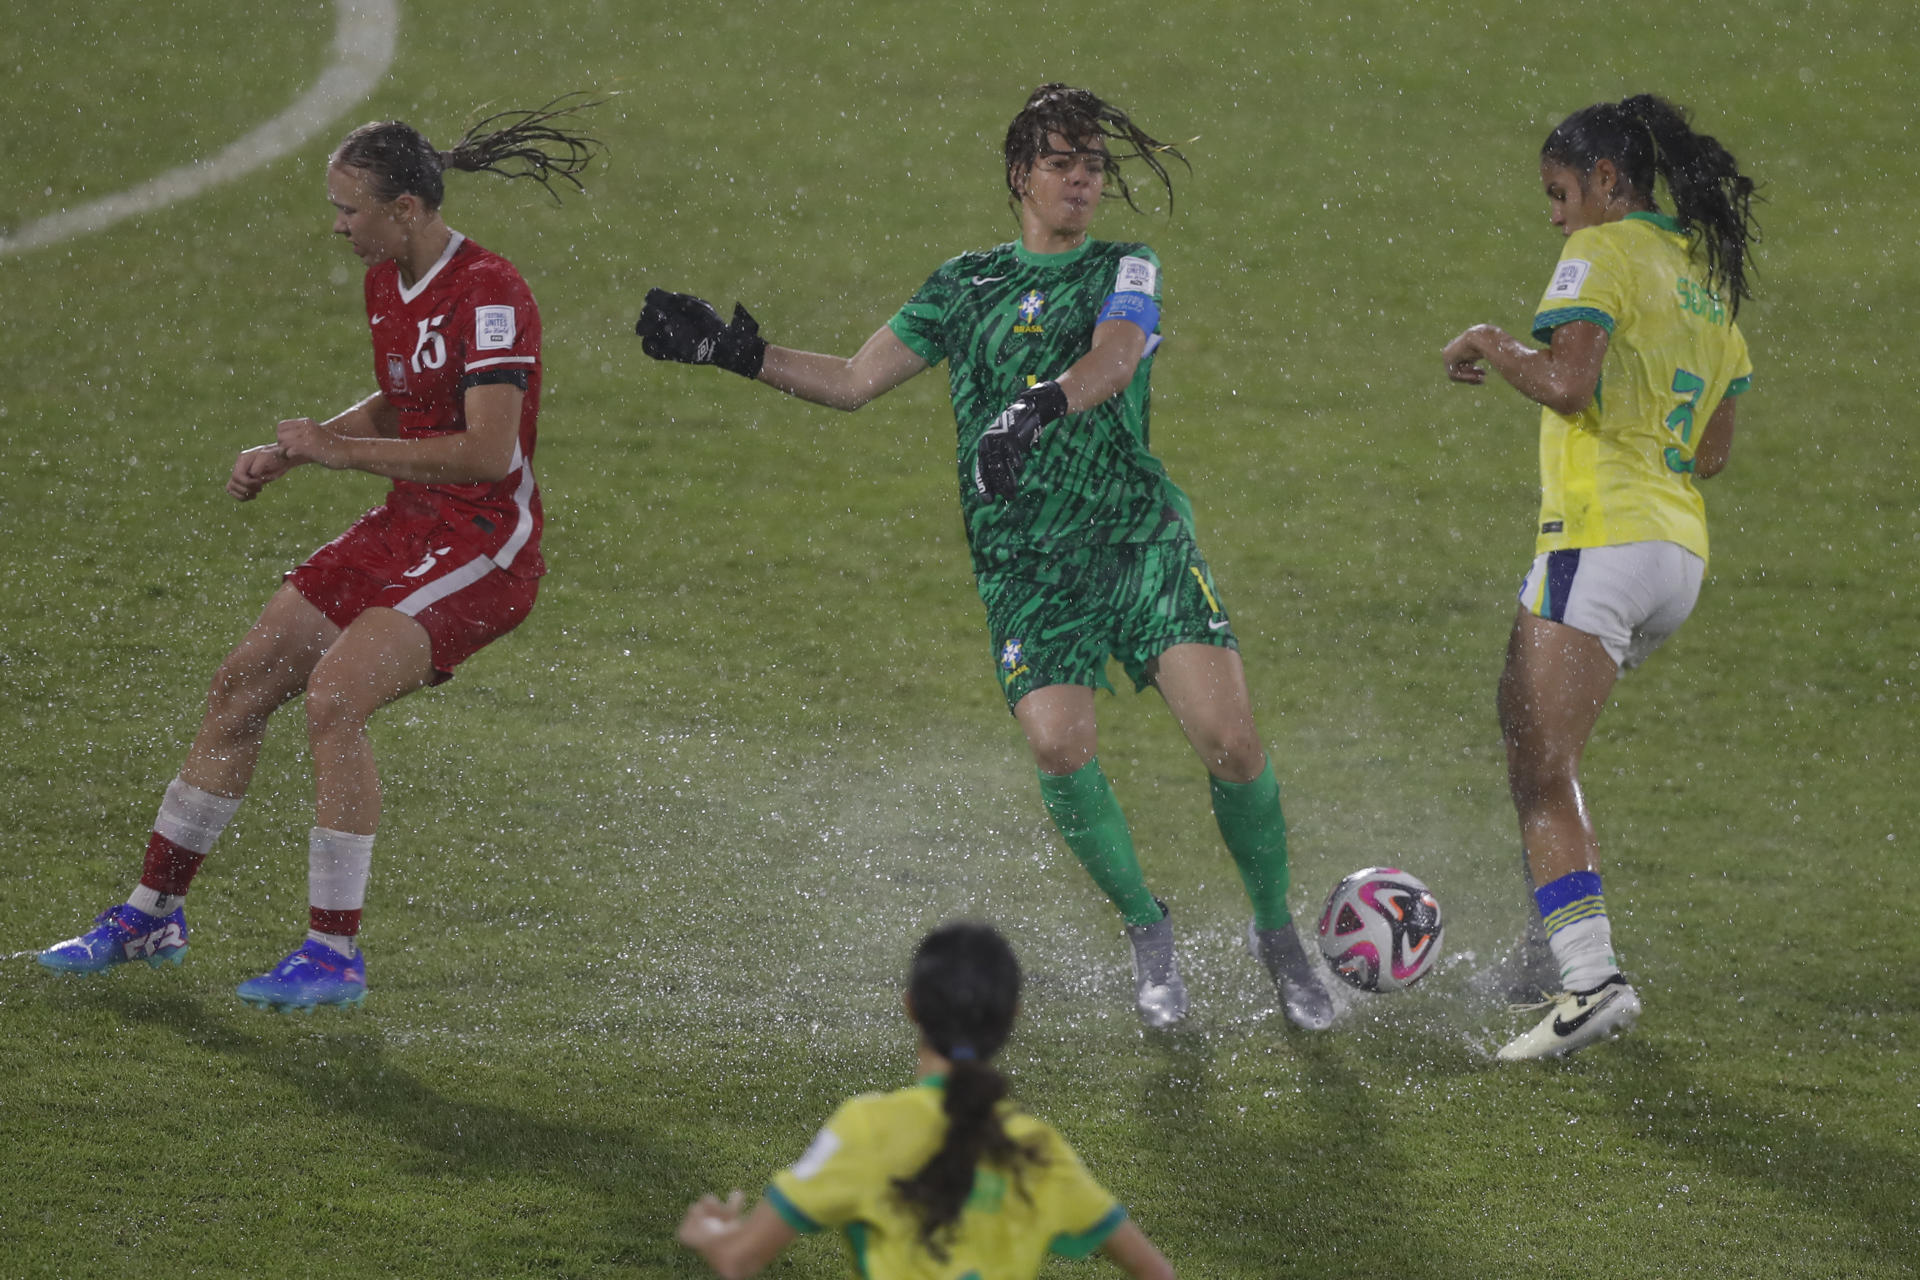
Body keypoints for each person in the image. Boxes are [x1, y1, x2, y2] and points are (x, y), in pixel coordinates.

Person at [636, 83, 1334, 1032]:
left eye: (1093, 168)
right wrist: (728, 350)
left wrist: (1036, 405)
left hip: (1136, 537)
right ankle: (1148, 932)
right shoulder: (964, 286)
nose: (1081, 183)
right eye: (1062, 165)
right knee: (1059, 743)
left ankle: (1275, 932)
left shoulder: (1127, 265)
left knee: (1231, 739)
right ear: (1020, 175)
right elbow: (850, 382)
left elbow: (1116, 360)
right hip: (1026, 562)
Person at [37, 98, 601, 1011]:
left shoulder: (492, 292)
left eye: (350, 209)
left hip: (484, 545)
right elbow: (400, 399)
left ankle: (334, 955)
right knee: (244, 683)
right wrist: (301, 449)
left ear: (406, 209)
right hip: (406, 522)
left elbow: (490, 451)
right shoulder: (387, 277)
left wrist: (339, 453)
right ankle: (152, 914)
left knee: (336, 697)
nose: (337, 225)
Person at [1441, 94, 1758, 1060]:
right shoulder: (1702, 275)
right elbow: (1712, 451)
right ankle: (1552, 954)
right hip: (1677, 554)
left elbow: (1566, 384)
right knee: (1529, 726)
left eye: (1560, 193)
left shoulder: (1604, 253)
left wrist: (1493, 342)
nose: (1555, 216)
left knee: (1543, 770)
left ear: (1608, 184)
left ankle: (1590, 981)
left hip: (1599, 539)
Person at [677, 921, 1176, 1280]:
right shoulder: (1038, 1150)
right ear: (1013, 1017)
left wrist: (711, 1234)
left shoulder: (867, 1129)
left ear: (911, 1005)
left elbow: (738, 1259)